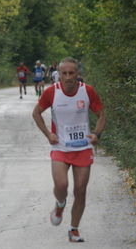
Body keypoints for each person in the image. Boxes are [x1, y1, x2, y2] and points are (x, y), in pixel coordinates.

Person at [32, 57, 106, 242]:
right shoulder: (52, 92)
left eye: (71, 73)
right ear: (58, 74)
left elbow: (101, 114)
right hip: (60, 147)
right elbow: (36, 113)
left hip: (83, 148)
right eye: (64, 73)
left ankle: (74, 229)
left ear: (77, 74)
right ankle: (60, 203)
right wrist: (48, 134)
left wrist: (96, 134)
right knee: (61, 186)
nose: (67, 77)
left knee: (80, 190)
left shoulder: (87, 91)